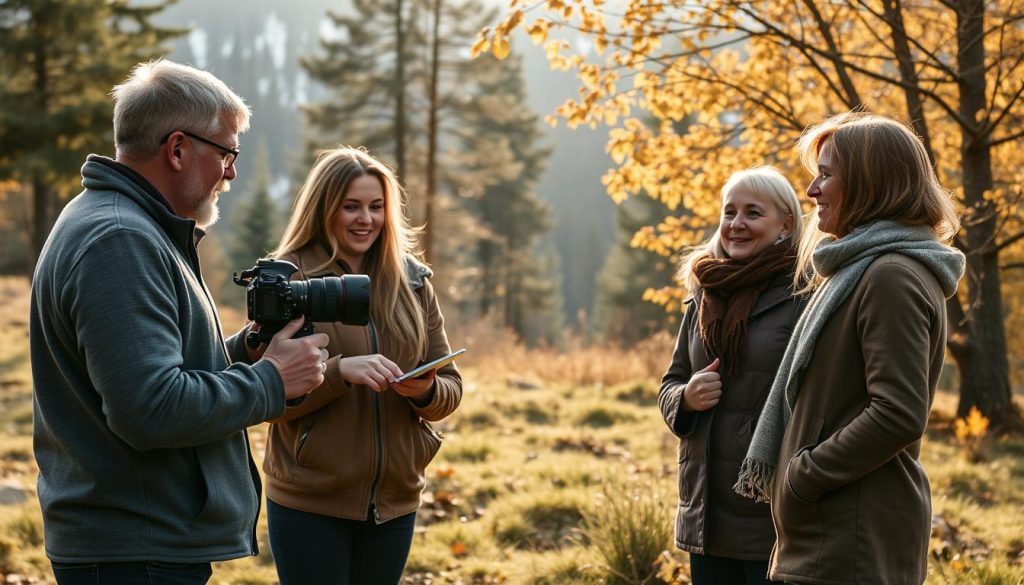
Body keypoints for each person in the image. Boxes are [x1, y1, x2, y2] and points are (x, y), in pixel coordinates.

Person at [30, 60, 330, 585]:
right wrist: (272, 381)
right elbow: (149, 409)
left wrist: (243, 352)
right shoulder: (118, 239)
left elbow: (144, 372)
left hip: (139, 542)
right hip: (135, 552)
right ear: (177, 148)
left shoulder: (119, 222)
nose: (231, 171)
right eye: (226, 153)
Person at [735, 112, 965, 585]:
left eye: (826, 174)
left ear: (869, 181)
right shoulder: (857, 270)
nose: (812, 190)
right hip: (830, 534)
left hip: (853, 538)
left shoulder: (891, 276)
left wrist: (803, 476)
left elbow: (897, 413)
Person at [261, 147, 463, 585]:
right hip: (309, 502)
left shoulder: (413, 281)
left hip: (394, 502)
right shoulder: (289, 281)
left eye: (376, 207)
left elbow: (450, 387)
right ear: (324, 208)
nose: (365, 219)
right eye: (351, 206)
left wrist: (425, 391)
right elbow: (267, 399)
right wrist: (338, 373)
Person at [659, 166, 803, 585]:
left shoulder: (804, 294)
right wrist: (685, 398)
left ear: (785, 224)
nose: (736, 224)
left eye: (753, 213)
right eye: (729, 212)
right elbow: (670, 382)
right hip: (706, 512)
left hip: (771, 513)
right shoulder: (704, 292)